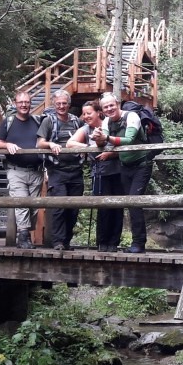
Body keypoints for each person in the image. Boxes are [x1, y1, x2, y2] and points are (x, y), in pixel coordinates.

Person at [93, 93, 153, 254]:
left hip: (142, 165)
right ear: (102, 110)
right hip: (125, 166)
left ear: (117, 104)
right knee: (129, 202)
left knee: (134, 201)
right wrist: (98, 138)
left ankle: (138, 243)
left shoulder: (131, 117)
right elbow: (104, 144)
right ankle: (137, 241)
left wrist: (106, 137)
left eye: (111, 105)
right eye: (106, 107)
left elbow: (129, 139)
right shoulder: (106, 121)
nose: (109, 109)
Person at [67, 100, 123, 253]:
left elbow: (122, 144)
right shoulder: (86, 129)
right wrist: (89, 147)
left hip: (117, 170)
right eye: (84, 114)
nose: (85, 116)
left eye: (88, 113)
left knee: (118, 207)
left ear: (98, 113)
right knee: (103, 207)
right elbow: (70, 143)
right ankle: (102, 242)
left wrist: (110, 153)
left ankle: (114, 242)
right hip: (99, 172)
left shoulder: (110, 124)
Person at [36, 90, 84, 252]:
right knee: (59, 207)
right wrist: (50, 144)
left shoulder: (76, 121)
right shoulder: (48, 121)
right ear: (54, 104)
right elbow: (39, 143)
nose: (61, 106)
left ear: (69, 104)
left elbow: (85, 137)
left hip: (76, 170)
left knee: (73, 209)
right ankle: (57, 242)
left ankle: (67, 241)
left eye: (64, 103)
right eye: (58, 104)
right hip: (57, 170)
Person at [0, 92, 44, 249]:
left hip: (36, 170)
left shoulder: (37, 121)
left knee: (34, 206)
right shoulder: (8, 122)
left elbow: (44, 140)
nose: (24, 105)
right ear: (15, 104)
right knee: (21, 203)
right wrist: (7, 145)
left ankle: (26, 235)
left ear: (30, 103)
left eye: (27, 102)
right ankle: (23, 237)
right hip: (16, 170)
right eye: (21, 102)